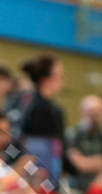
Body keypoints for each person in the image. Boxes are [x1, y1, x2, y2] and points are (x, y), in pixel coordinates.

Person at [17, 54, 65, 183]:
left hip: (49, 169)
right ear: (46, 80)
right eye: (60, 76)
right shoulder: (36, 108)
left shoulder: (52, 108)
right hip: (40, 173)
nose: (63, 81)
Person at [66, 95, 102, 193]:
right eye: (91, 112)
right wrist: (95, 162)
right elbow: (77, 163)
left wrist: (85, 162)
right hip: (75, 188)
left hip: (96, 189)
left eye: (98, 112)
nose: (95, 116)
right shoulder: (72, 135)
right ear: (82, 112)